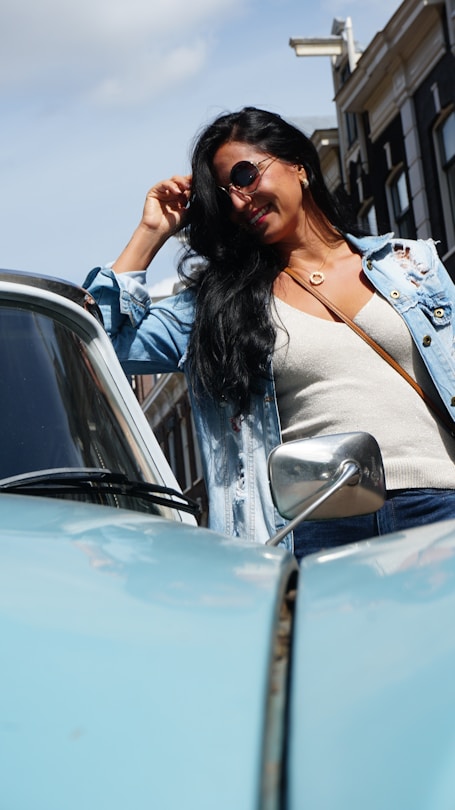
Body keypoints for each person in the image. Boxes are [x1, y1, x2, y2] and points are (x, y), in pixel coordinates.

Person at [84, 106, 455, 562]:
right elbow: (99, 344)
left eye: (245, 175)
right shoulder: (219, 307)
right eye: (224, 198)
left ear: (297, 164)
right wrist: (150, 232)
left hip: (439, 503)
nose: (239, 202)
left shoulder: (410, 266)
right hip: (316, 525)